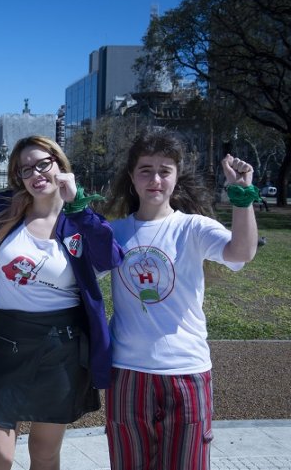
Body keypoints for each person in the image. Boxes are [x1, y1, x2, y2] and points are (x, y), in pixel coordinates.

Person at [103, 128, 259, 470]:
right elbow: (75, 268)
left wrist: (242, 196)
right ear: (132, 176)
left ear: (176, 176)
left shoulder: (193, 228)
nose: (155, 179)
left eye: (164, 170)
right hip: (128, 372)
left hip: (186, 371)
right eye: (145, 170)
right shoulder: (115, 233)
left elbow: (241, 252)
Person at [0, 136, 124, 470]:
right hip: (6, 343)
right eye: (25, 169)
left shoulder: (79, 218)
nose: (35, 174)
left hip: (60, 348)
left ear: (59, 164)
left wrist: (79, 206)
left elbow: (110, 257)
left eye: (42, 164)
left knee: (44, 452)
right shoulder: (6, 209)